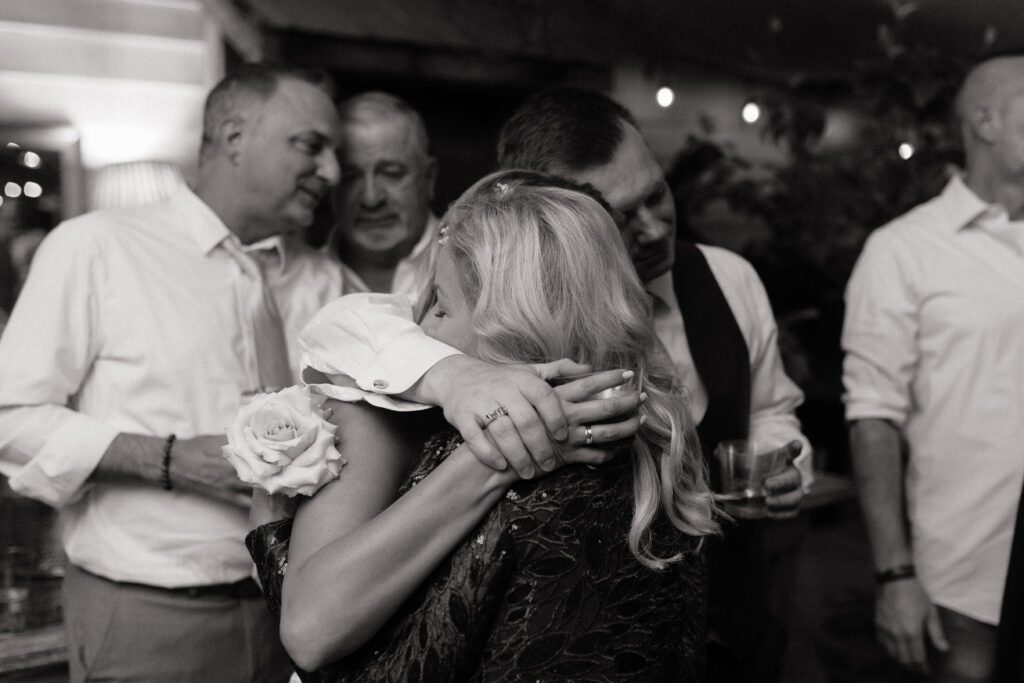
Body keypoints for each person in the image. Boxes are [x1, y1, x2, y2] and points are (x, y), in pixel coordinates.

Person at [0, 63, 571, 682]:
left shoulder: (327, 280)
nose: (330, 175)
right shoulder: (95, 247)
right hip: (150, 609)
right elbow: (8, 418)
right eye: (313, 147)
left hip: (307, 606)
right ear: (233, 135)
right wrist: (164, 457)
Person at [248, 170, 716, 680]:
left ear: (509, 327)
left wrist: (272, 533)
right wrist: (458, 386)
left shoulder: (560, 495)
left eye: (441, 308)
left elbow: (343, 645)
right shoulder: (649, 447)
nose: (419, 329)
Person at [496, 86, 811, 681]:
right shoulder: (517, 322)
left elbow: (770, 407)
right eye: (617, 216)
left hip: (738, 629)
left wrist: (784, 460)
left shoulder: (730, 277)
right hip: (599, 651)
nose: (651, 227)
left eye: (657, 194)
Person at [843, 54, 1024, 680]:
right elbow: (873, 420)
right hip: (969, 568)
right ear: (985, 120)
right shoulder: (904, 251)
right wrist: (895, 574)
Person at [332, 91, 438, 302]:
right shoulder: (291, 282)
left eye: (391, 174)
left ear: (429, 178)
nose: (371, 198)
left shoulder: (476, 269)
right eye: (350, 177)